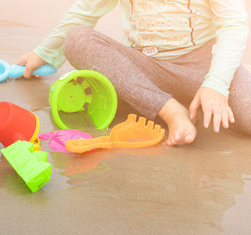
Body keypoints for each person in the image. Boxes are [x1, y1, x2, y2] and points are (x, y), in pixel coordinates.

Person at [15, 0, 251, 146]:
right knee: (78, 39)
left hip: (203, 67)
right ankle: (169, 109)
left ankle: (189, 96)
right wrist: (44, 52)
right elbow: (85, 10)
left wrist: (217, 85)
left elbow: (234, 23)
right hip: (144, 66)